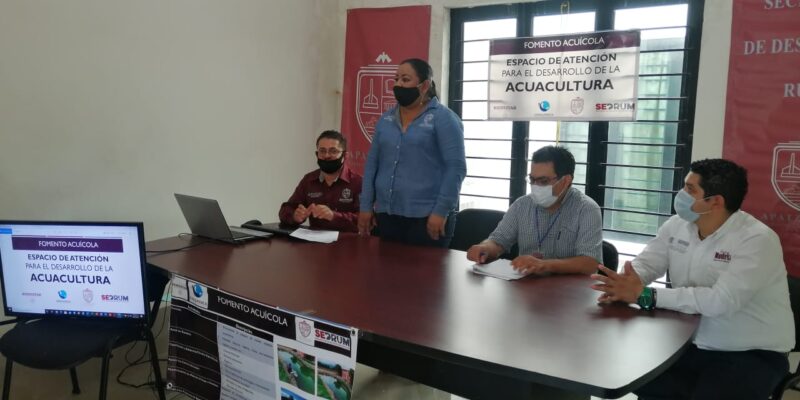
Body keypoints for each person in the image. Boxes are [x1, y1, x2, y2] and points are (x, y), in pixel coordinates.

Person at [591, 158, 794, 399]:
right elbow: (647, 264)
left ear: (716, 201)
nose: (681, 195)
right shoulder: (677, 225)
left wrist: (646, 295)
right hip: (687, 343)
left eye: (690, 189)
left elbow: (720, 301)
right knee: (632, 375)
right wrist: (625, 282)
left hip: (750, 352)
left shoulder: (757, 240)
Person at [358, 58, 466, 247]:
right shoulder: (385, 119)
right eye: (396, 79)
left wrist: (441, 211)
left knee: (423, 267)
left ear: (424, 86)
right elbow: (372, 164)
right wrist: (366, 206)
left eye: (405, 79)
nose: (398, 84)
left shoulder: (444, 118)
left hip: (428, 217)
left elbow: (456, 168)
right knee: (387, 266)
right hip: (387, 214)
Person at [466, 146, 602, 275]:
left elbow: (590, 263)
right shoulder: (522, 205)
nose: (536, 186)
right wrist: (485, 248)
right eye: (532, 179)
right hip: (525, 284)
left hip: (569, 288)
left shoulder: (587, 209)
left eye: (543, 181)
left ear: (566, 181)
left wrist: (545, 265)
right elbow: (498, 241)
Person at [279, 130, 362, 232]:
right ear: (316, 154)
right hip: (314, 240)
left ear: (345, 155)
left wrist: (333, 216)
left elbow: (366, 220)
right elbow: (285, 210)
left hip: (347, 240)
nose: (326, 156)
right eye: (322, 151)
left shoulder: (358, 182)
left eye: (333, 151)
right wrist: (295, 216)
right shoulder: (309, 180)